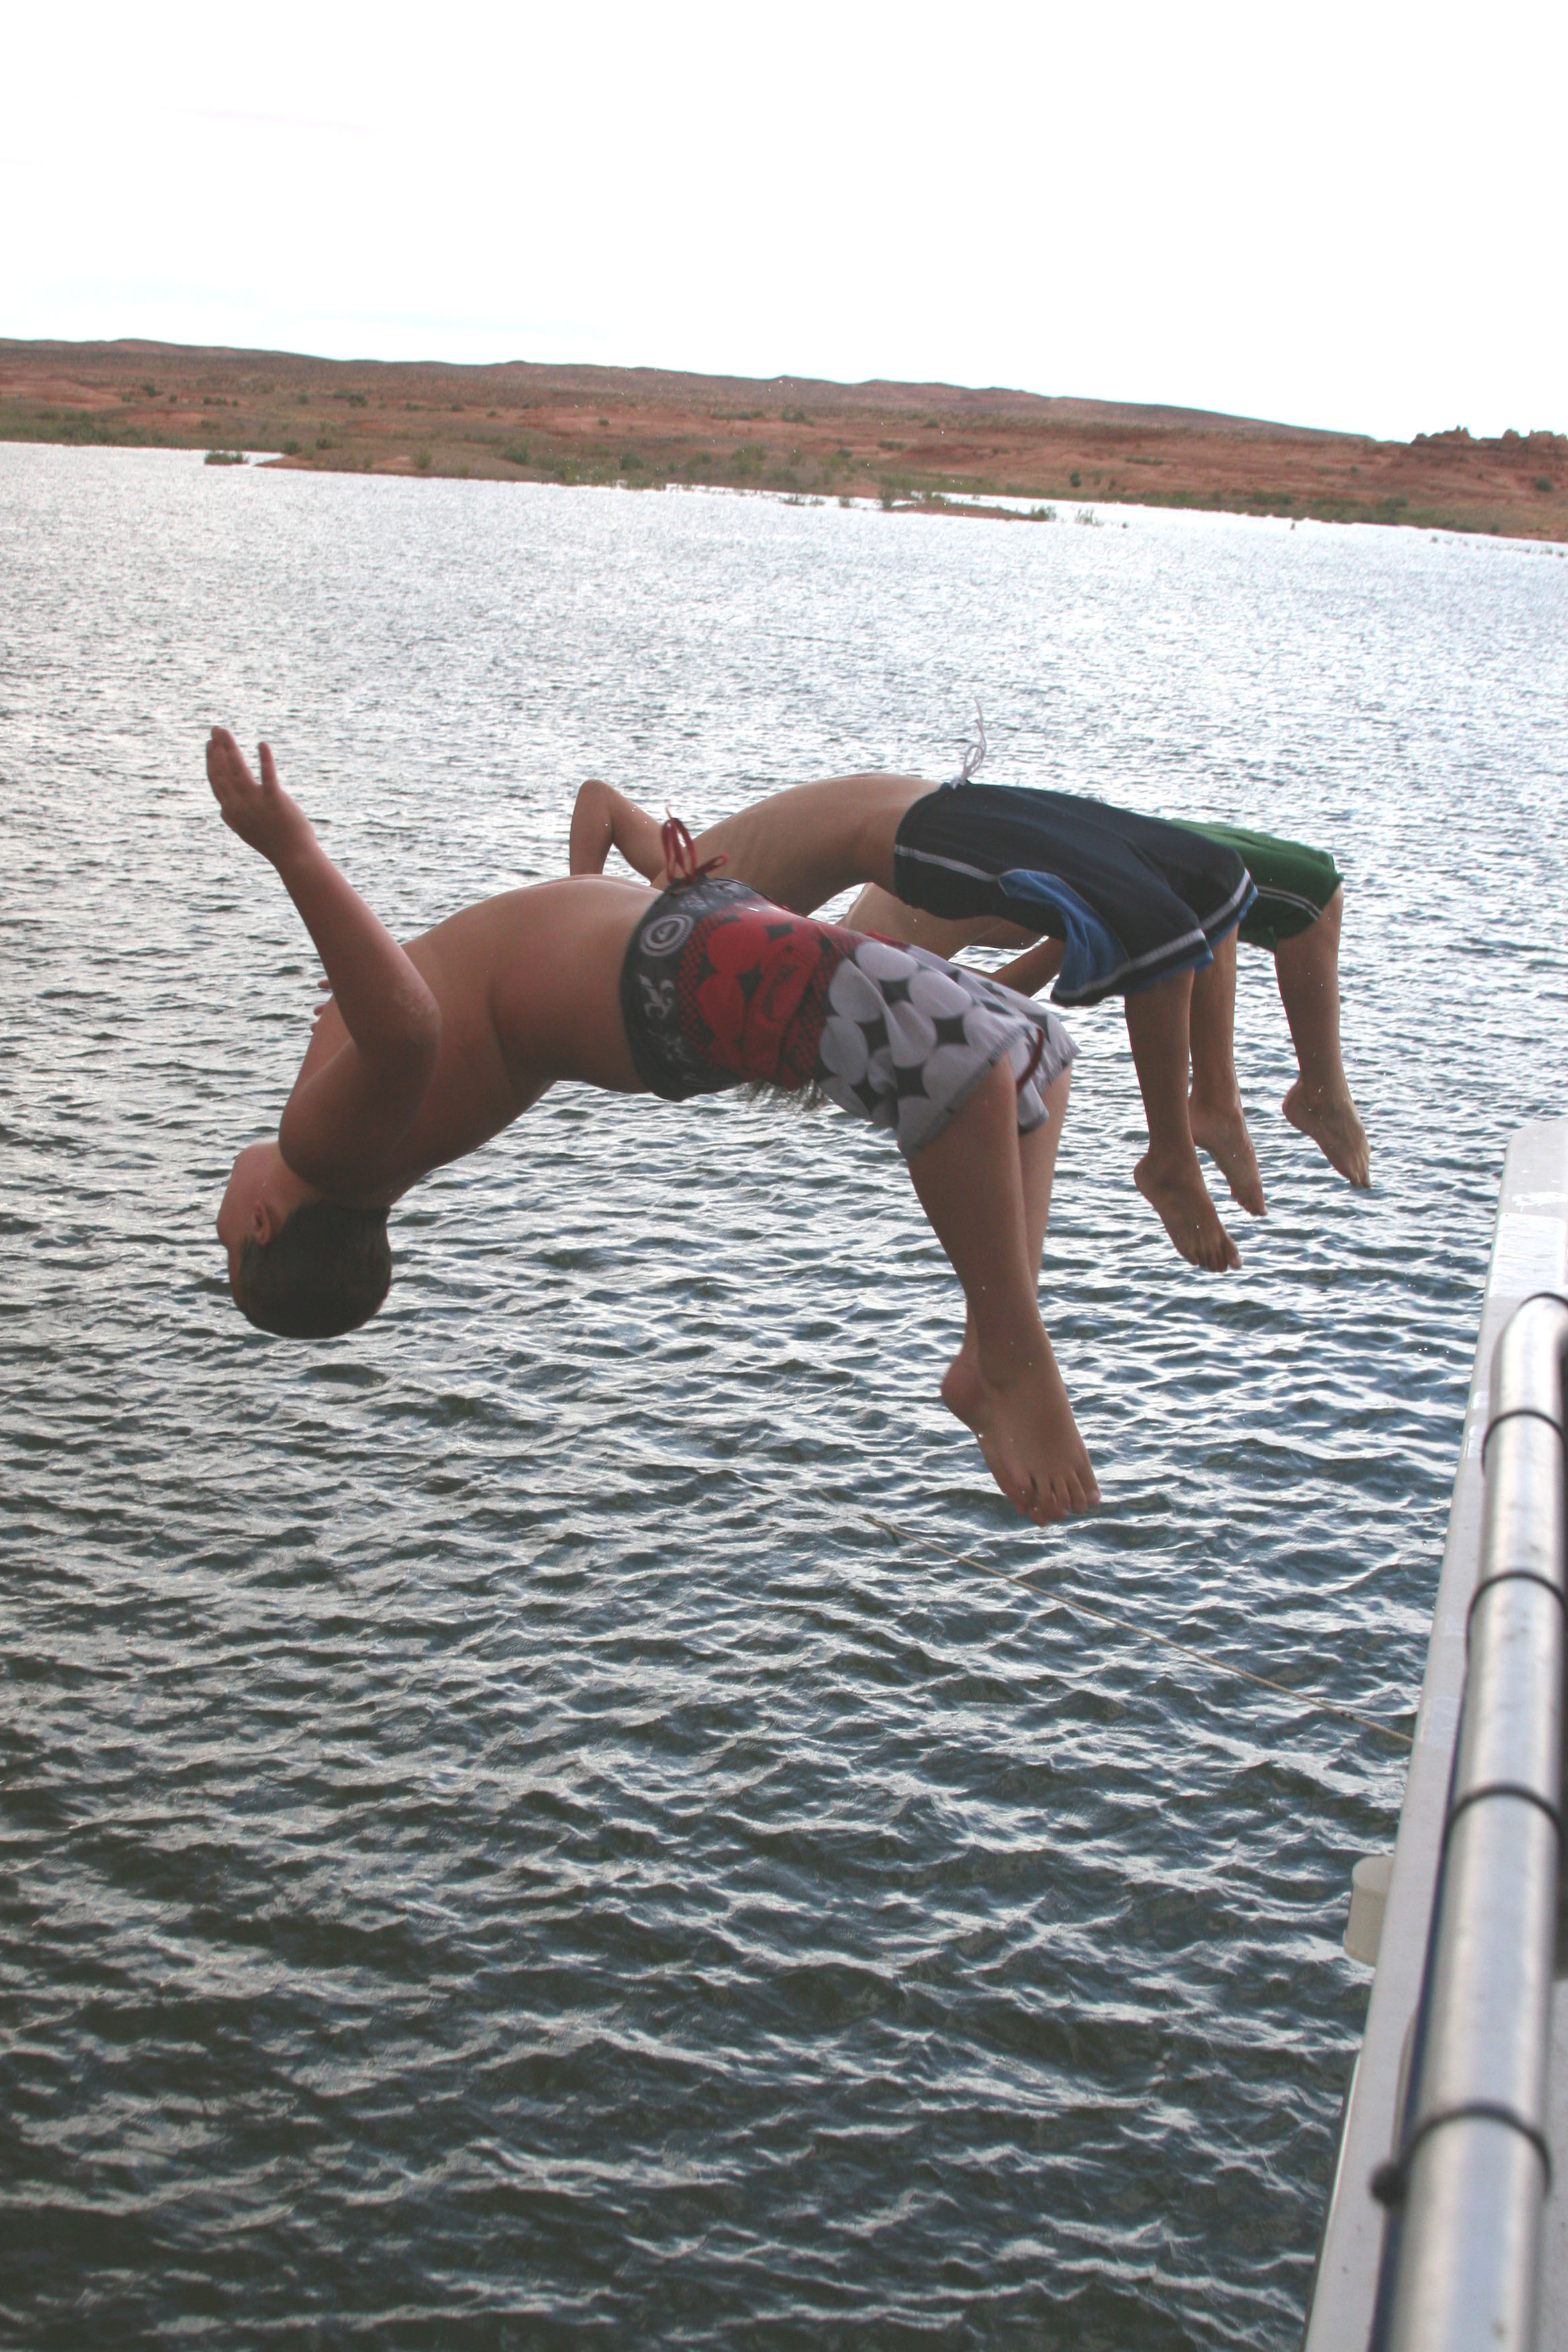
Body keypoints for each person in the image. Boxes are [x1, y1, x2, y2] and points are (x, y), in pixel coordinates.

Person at [207, 728, 1096, 1526]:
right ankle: (1015, 1355)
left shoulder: (371, 1144)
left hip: (674, 957)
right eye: (226, 1252)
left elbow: (404, 1023)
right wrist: (293, 852)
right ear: (261, 1226)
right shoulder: (320, 1149)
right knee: (957, 1063)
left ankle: (992, 1345)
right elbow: (406, 1027)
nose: (218, 1223)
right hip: (663, 977)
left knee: (1031, 1051)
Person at [569, 769, 1262, 1273]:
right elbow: (967, 1002)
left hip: (913, 825)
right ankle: (1190, 1126)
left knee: (1189, 888)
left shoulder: (663, 899)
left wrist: (580, 892)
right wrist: (1055, 950)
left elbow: (596, 796)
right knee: (1147, 916)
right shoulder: (722, 921)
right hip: (907, 838)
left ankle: (1205, 1110)